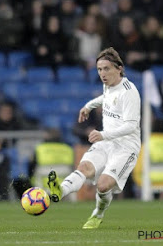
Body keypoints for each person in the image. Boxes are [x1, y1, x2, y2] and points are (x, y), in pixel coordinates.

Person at [47, 47, 141, 229]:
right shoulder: (109, 85)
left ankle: (98, 214)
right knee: (84, 167)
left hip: (126, 147)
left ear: (119, 68)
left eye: (106, 69)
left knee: (103, 186)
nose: (102, 74)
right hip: (106, 143)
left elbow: (131, 126)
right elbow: (105, 98)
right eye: (99, 69)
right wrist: (88, 106)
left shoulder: (130, 92)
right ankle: (60, 190)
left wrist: (103, 134)